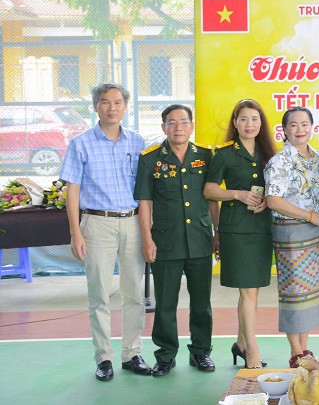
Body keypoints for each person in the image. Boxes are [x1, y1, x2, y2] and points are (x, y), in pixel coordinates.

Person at [60, 82, 151, 381]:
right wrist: (76, 232)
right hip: (96, 223)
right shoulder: (80, 143)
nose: (111, 107)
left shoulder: (138, 143)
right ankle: (103, 357)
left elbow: (147, 191)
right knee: (98, 293)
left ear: (125, 106)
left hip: (133, 222)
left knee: (133, 294)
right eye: (104, 102)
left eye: (117, 102)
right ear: (95, 106)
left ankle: (132, 353)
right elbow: (72, 191)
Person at [134, 105, 218, 377]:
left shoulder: (205, 156)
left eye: (183, 122)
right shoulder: (150, 158)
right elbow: (145, 202)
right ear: (163, 128)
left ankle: (201, 352)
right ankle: (166, 355)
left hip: (200, 239)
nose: (178, 127)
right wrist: (147, 239)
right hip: (166, 241)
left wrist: (219, 234)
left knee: (201, 302)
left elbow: (212, 197)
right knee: (166, 302)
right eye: (172, 123)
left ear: (192, 126)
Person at [204, 99, 276, 369]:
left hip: (263, 227)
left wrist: (268, 199)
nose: (249, 124)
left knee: (252, 290)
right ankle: (252, 352)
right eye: (243, 119)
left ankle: (241, 343)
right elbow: (209, 190)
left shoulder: (269, 152)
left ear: (261, 123)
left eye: (255, 119)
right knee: (248, 291)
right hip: (236, 228)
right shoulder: (223, 153)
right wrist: (236, 194)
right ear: (235, 123)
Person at [265, 107, 319, 367]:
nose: (300, 129)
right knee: (294, 293)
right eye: (294, 125)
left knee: (311, 293)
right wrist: (309, 215)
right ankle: (295, 352)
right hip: (291, 231)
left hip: (316, 233)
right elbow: (273, 201)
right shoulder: (280, 161)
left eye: (305, 124)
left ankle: (305, 349)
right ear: (284, 130)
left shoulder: (318, 157)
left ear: (312, 127)